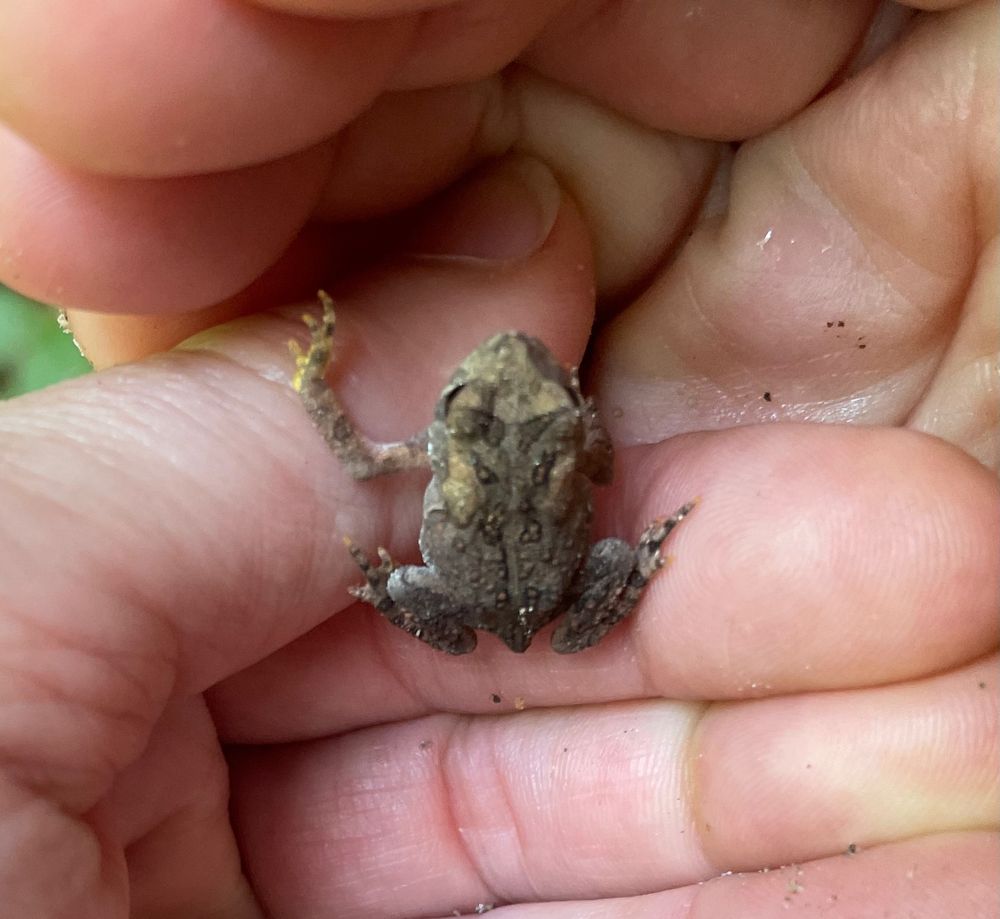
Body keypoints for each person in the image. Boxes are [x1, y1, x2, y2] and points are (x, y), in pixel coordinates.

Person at [0, 1, 996, 916]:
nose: (515, 367)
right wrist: (617, 527)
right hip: (524, 599)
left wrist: (313, 384)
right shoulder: (542, 451)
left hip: (483, 599)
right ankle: (555, 573)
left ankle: (422, 586)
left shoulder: (433, 449)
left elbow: (352, 453)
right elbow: (597, 476)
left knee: (451, 572)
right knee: (606, 564)